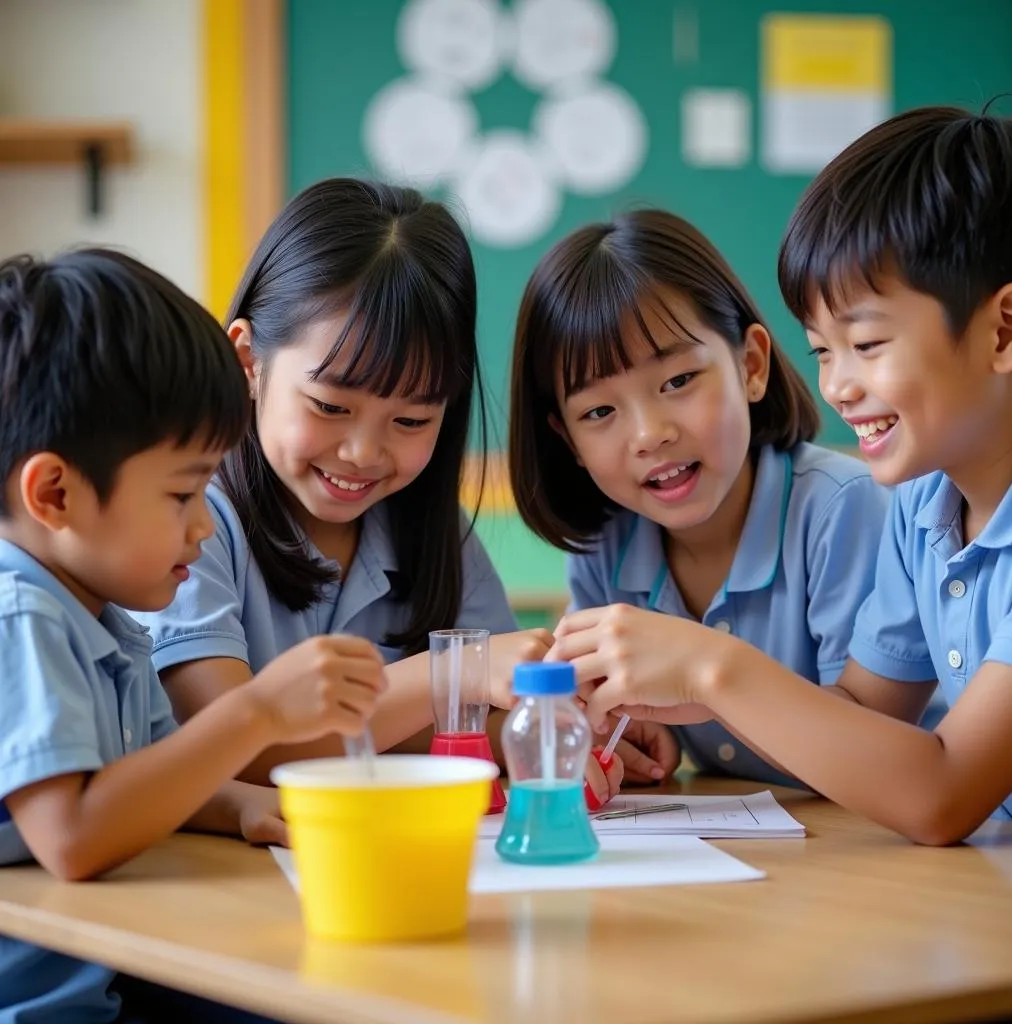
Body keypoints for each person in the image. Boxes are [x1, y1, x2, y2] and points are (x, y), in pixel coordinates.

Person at [558, 106, 1012, 844]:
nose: (838, 387)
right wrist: (693, 697)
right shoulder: (922, 504)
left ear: (1006, 330)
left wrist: (713, 669)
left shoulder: (862, 502)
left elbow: (943, 795)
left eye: (867, 343)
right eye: (822, 351)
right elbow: (860, 720)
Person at [135, 178, 622, 800]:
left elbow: (487, 722)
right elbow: (226, 741)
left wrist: (568, 730)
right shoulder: (190, 520)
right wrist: (457, 673)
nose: (363, 452)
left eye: (412, 420)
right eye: (329, 406)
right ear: (248, 363)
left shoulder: (433, 536)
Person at [0, 249, 385, 1021]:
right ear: (55, 493)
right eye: (182, 494)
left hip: (114, 974)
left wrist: (238, 804)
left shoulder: (99, 613)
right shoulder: (21, 616)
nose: (203, 525)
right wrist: (258, 714)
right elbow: (72, 834)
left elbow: (144, 778)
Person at [509, 209, 886, 786]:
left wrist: (709, 685)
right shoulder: (604, 550)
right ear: (569, 440)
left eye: (678, 382)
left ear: (750, 366)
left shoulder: (842, 511)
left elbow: (870, 750)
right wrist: (632, 728)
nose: (649, 434)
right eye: (600, 411)